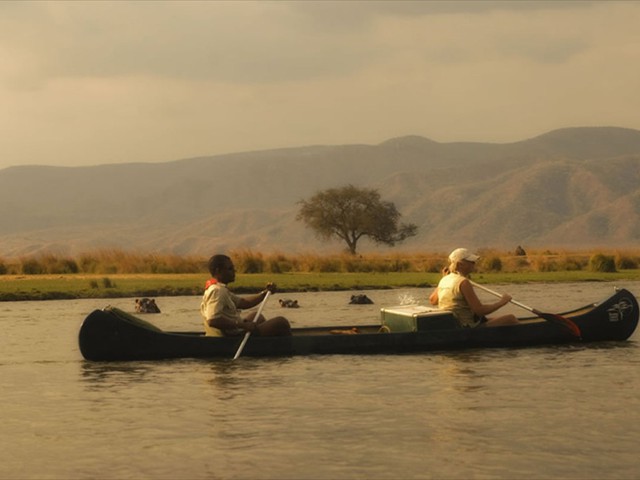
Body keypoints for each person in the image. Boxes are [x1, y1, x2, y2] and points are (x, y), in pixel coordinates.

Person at [200, 254, 291, 337]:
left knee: (257, 316)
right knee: (282, 322)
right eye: (230, 269)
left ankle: (264, 344)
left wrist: (265, 293)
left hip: (234, 330)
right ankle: (287, 349)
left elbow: (243, 303)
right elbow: (213, 320)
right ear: (218, 271)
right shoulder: (217, 291)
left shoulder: (220, 289)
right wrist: (242, 325)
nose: (234, 271)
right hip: (232, 337)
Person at [429, 248, 518, 328]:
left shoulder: (444, 279)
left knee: (489, 319)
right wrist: (502, 302)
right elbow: (479, 310)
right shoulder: (464, 282)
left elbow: (432, 300)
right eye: (470, 262)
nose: (474, 264)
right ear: (460, 264)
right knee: (511, 319)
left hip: (454, 324)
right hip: (467, 327)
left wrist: (443, 279)